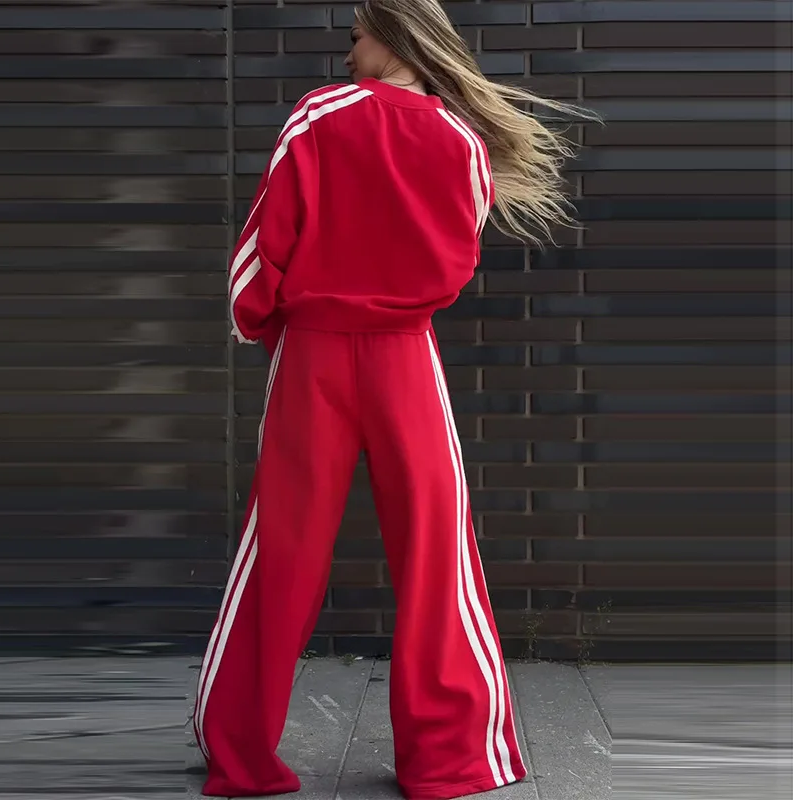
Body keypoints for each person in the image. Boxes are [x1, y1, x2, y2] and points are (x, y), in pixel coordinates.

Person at [193, 1, 586, 797]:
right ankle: (450, 759)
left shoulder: (318, 115)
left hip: (313, 356)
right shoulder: (461, 140)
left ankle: (242, 755)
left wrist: (261, 318)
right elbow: (458, 259)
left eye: (356, 36)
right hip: (408, 356)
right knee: (438, 553)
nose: (348, 52)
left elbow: (264, 240)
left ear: (390, 34)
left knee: (281, 552)